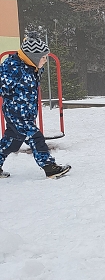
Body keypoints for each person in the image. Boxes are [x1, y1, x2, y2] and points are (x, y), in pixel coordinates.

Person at [0, 32, 71, 179]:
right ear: (33, 57)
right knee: (35, 137)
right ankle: (49, 167)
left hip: (27, 112)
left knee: (12, 142)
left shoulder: (32, 67)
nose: (46, 60)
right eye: (43, 58)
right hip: (16, 113)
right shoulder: (11, 67)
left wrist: (32, 41)